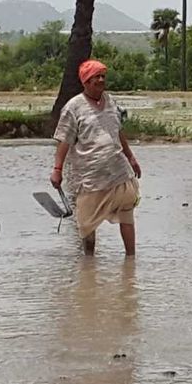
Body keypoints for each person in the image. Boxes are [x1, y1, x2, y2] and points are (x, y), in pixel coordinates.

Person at [51, 59, 142, 256]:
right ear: (86, 82)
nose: (101, 80)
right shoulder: (73, 107)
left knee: (127, 214)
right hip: (90, 179)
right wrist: (57, 170)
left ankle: (131, 260)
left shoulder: (110, 102)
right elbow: (64, 141)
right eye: (96, 77)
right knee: (87, 225)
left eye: (103, 76)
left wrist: (131, 157)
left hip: (118, 173)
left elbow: (118, 132)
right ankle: (89, 263)